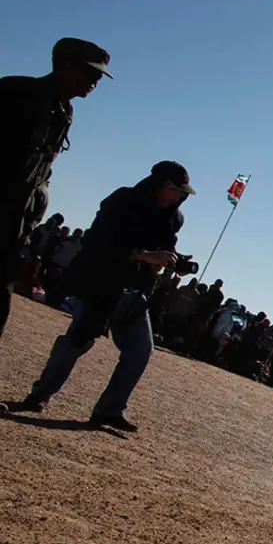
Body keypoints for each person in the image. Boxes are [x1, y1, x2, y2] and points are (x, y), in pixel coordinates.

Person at [0, 161, 194, 430]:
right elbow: (99, 240)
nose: (181, 196)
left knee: (140, 350)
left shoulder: (174, 219)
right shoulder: (123, 200)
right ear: (163, 185)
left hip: (134, 293)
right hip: (99, 284)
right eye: (177, 189)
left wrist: (173, 261)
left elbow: (165, 247)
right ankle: (39, 396)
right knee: (77, 342)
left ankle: (109, 411)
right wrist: (141, 254)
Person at [0, 38, 111, 340]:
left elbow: (39, 172)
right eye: (91, 72)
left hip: (13, 226)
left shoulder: (63, 112)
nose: (96, 80)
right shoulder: (16, 94)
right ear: (65, 66)